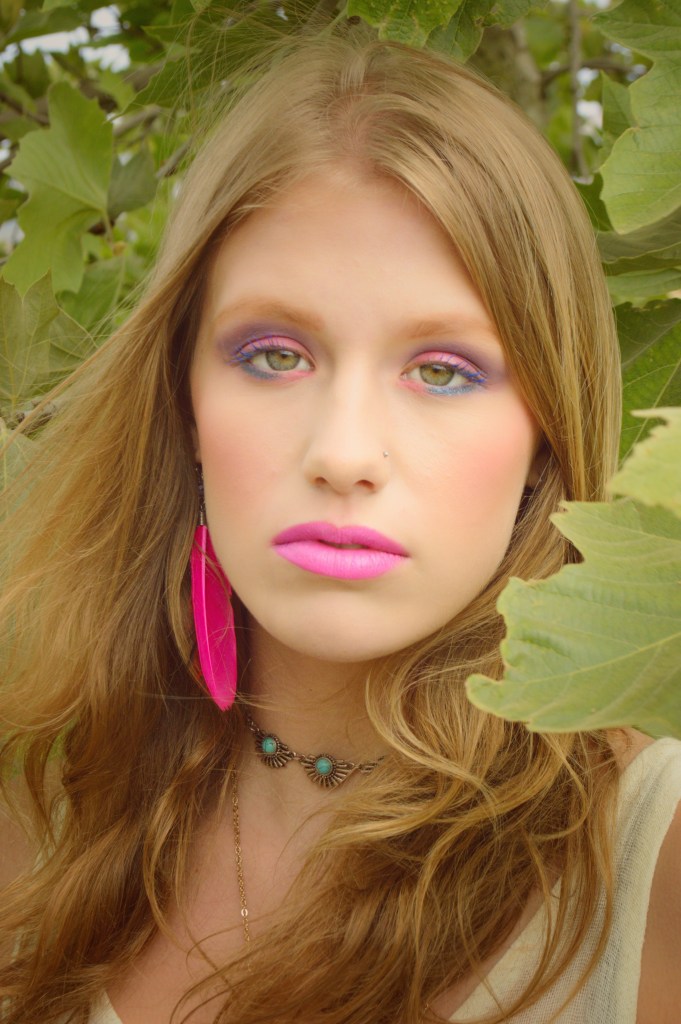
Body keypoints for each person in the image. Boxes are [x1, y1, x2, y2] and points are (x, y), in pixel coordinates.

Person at [0, 32, 679, 1024]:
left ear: (543, 433)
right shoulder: (45, 815)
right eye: (275, 355)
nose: (344, 450)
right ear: (185, 402)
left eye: (443, 369)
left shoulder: (650, 865)